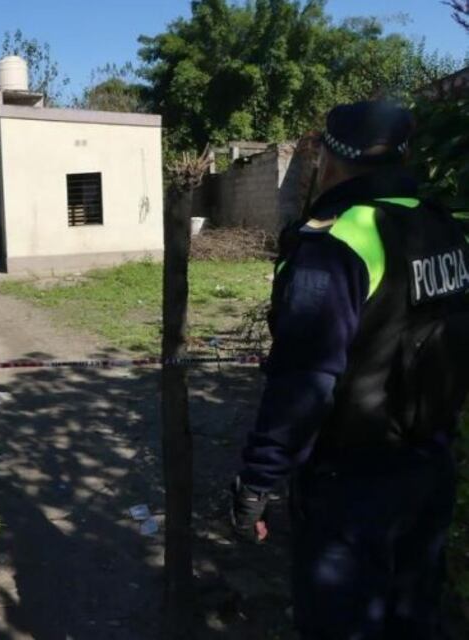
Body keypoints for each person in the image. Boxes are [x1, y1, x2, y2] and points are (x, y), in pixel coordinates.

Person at [230, 101, 469, 639]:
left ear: (327, 158)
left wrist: (259, 480)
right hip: (431, 469)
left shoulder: (338, 241)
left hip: (353, 489)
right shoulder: (444, 228)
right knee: (415, 619)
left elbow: (305, 379)